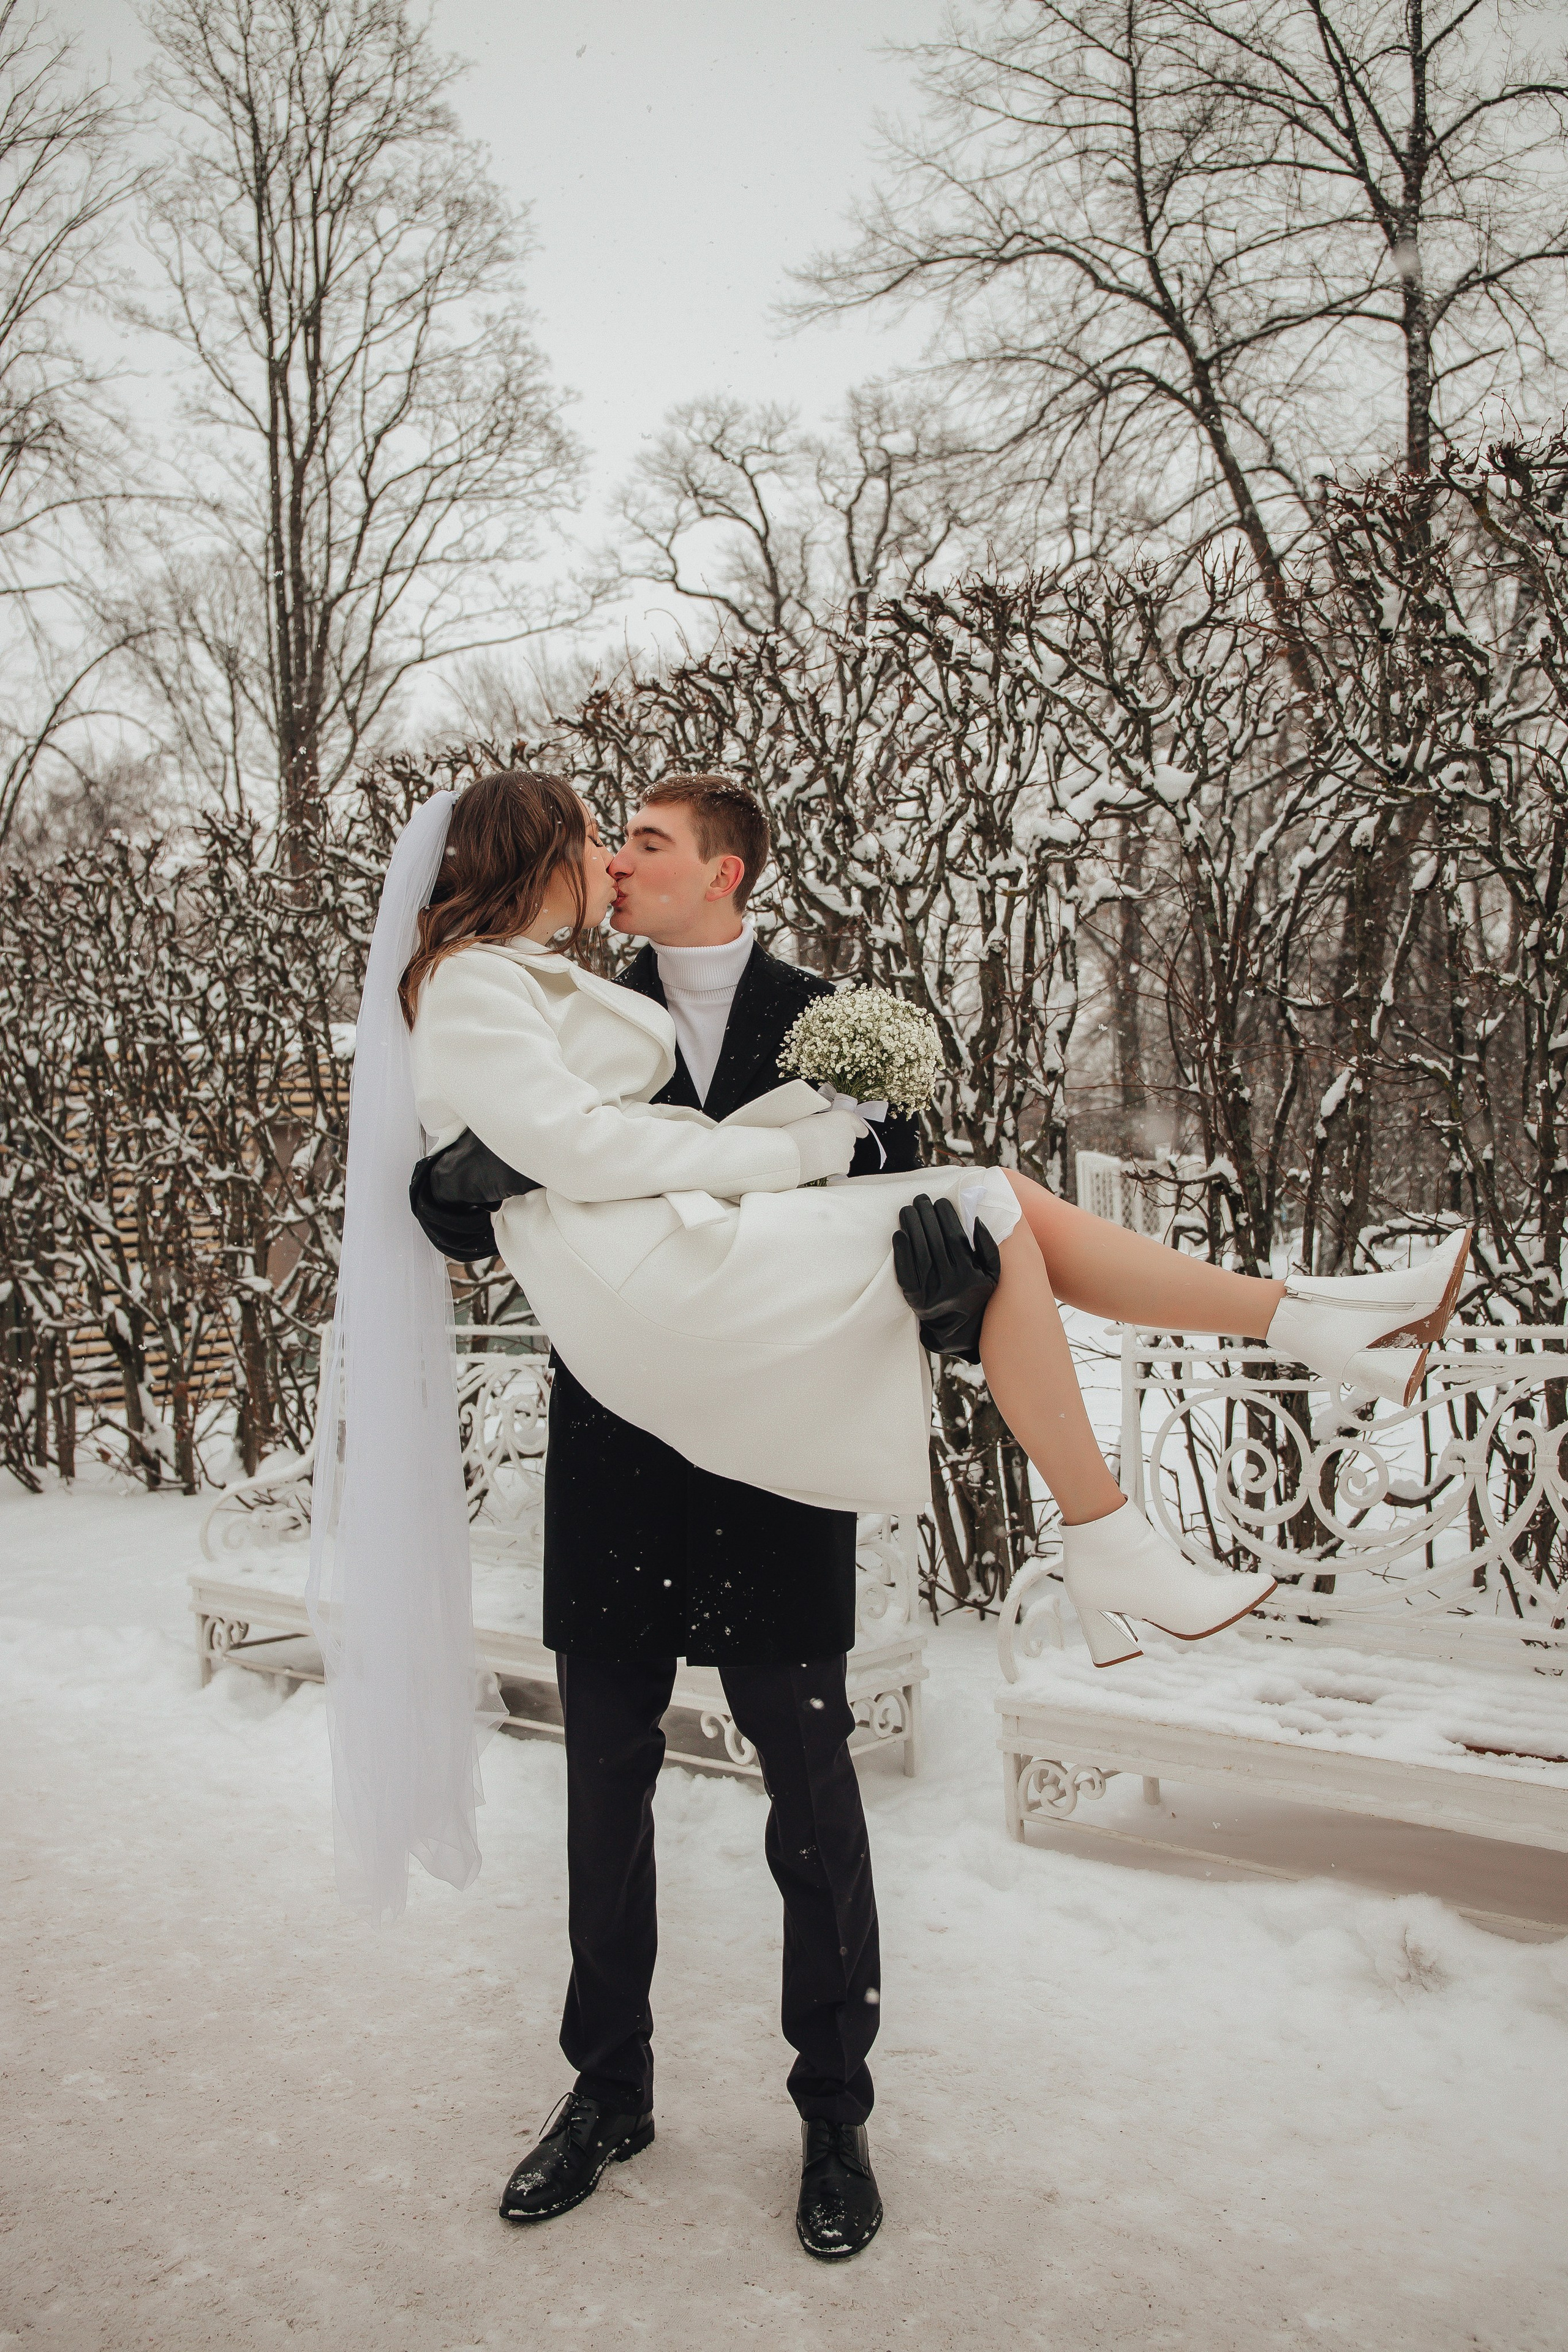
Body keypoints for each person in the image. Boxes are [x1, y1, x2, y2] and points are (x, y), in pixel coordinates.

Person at [317, 768, 1469, 2261]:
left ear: (726, 871)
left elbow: (922, 1231)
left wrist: (944, 1308)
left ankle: (833, 2116)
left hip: (781, 1450)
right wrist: (451, 1194)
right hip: (622, 1447)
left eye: (645, 841)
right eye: (606, 841)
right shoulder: (560, 991)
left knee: (813, 1799)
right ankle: (604, 2093)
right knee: (602, 1796)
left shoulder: (833, 1021)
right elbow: (474, 1184)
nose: (615, 862)